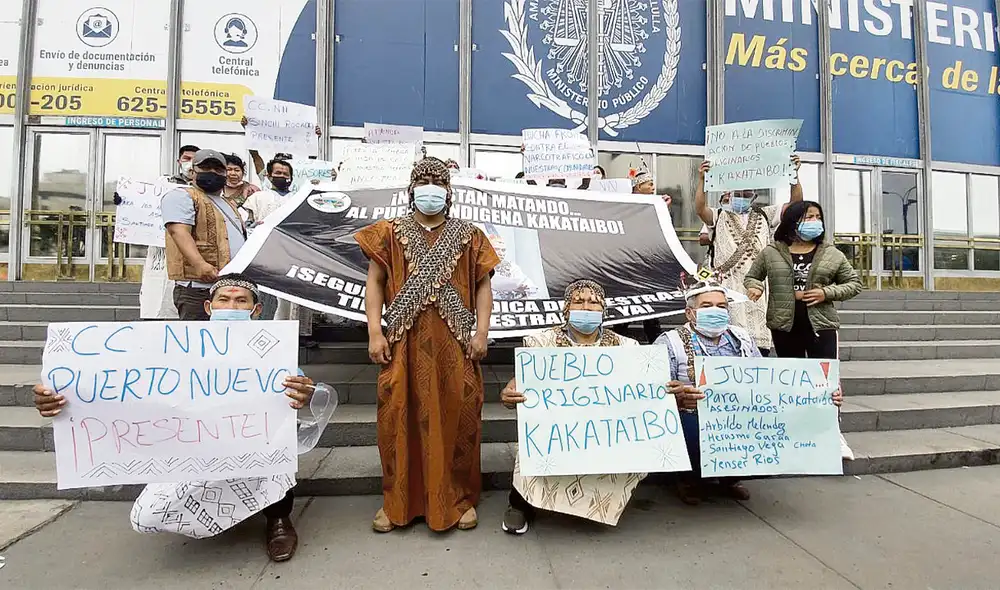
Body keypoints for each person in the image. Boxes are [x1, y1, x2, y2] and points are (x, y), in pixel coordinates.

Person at [31, 274, 316, 562]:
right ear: (208, 307)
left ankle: (278, 518)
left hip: (250, 441)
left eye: (241, 301)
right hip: (191, 445)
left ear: (256, 311)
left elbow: (293, 392)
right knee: (145, 516)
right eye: (224, 300)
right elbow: (122, 386)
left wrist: (301, 394)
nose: (232, 305)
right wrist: (61, 399)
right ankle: (229, 509)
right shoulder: (174, 347)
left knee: (279, 437)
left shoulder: (271, 351)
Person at [356, 157, 500, 533]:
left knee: (458, 417)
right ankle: (396, 502)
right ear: (411, 189)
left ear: (448, 192)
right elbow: (375, 282)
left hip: (456, 344)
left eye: (438, 181)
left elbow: (484, 285)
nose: (430, 186)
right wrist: (374, 331)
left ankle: (457, 498)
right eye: (423, 180)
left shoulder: (470, 235)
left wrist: (482, 332)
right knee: (396, 419)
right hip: (402, 342)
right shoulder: (388, 232)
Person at [653, 277, 843, 504]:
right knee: (688, 428)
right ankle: (689, 479)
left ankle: (730, 477)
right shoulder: (670, 342)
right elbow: (656, 391)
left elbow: (767, 382)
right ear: (689, 313)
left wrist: (821, 395)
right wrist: (680, 398)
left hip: (739, 416)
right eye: (706, 306)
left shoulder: (741, 338)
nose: (716, 311)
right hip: (693, 415)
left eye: (721, 306)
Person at [499, 279, 643, 535]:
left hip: (604, 428)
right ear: (566, 309)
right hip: (556, 427)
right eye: (578, 301)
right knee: (533, 442)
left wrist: (663, 390)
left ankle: (596, 503)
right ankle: (519, 504)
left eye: (593, 303)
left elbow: (642, 388)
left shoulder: (627, 347)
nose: (586, 308)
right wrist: (511, 391)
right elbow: (524, 379)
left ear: (604, 310)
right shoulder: (541, 343)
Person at [695, 155, 804, 356]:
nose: (741, 196)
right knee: (728, 335)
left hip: (758, 286)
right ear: (727, 194)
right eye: (738, 193)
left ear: (753, 196)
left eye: (746, 193)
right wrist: (702, 179)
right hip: (728, 284)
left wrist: (794, 175)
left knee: (758, 333)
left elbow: (795, 205)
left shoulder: (765, 214)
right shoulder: (719, 215)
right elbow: (699, 208)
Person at [745, 200, 863, 360]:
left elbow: (854, 284)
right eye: (809, 217)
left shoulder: (831, 253)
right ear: (793, 221)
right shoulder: (771, 252)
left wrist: (825, 293)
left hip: (821, 323)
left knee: (823, 377)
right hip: (783, 324)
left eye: (818, 217)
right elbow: (752, 276)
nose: (815, 221)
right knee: (792, 375)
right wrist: (755, 286)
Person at [161, 149, 247, 321]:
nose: (213, 173)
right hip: (198, 289)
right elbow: (178, 231)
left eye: (218, 169)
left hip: (228, 288)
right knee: (198, 342)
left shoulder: (228, 204)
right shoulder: (182, 196)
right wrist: (200, 264)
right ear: (193, 172)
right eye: (206, 168)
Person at [244, 159, 295, 320]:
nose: (282, 176)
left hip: (292, 255)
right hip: (264, 256)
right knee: (266, 296)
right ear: (269, 175)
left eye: (285, 174)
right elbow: (247, 223)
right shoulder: (257, 198)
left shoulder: (298, 198)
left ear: (291, 177)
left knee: (290, 299)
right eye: (278, 173)